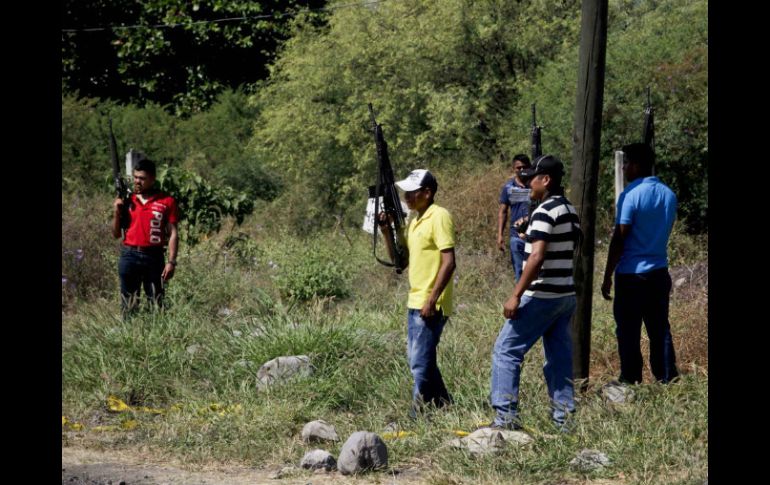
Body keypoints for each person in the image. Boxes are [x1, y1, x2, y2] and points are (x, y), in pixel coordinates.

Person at [487, 155, 580, 431]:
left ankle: (505, 418)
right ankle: (564, 421)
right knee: (559, 359)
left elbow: (537, 257)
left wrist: (516, 294)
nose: (528, 185)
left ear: (546, 180)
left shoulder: (543, 211)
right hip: (565, 295)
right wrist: (527, 236)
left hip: (541, 295)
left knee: (506, 351)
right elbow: (560, 247)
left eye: (533, 179)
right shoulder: (568, 209)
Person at [378, 169, 456, 417]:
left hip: (431, 302)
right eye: (406, 193)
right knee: (420, 358)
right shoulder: (414, 221)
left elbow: (449, 262)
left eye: (412, 192)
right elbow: (400, 262)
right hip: (415, 299)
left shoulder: (439, 216)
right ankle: (444, 404)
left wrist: (432, 299)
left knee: (419, 362)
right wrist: (386, 231)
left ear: (427, 193)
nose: (407, 197)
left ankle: (418, 415)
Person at [601, 143, 679, 384]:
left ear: (635, 165)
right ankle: (667, 378)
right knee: (659, 329)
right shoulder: (668, 194)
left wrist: (607, 274)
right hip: (659, 272)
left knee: (628, 330)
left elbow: (620, 237)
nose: (623, 168)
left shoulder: (630, 194)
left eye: (626, 163)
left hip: (631, 275)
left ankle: (631, 379)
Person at [112, 159, 179, 315]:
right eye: (135, 177)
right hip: (129, 256)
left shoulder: (167, 201)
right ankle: (129, 330)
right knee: (128, 306)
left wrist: (171, 262)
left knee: (156, 305)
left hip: (154, 257)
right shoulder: (127, 200)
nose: (137, 181)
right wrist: (116, 212)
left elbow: (173, 234)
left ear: (152, 179)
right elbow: (116, 234)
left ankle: (155, 330)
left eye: (142, 178)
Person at [497, 154, 532, 281]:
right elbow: (503, 212)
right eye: (519, 168)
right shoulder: (508, 187)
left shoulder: (535, 185)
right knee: (519, 273)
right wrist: (500, 235)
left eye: (525, 167)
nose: (522, 170)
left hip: (534, 235)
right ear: (513, 169)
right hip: (516, 237)